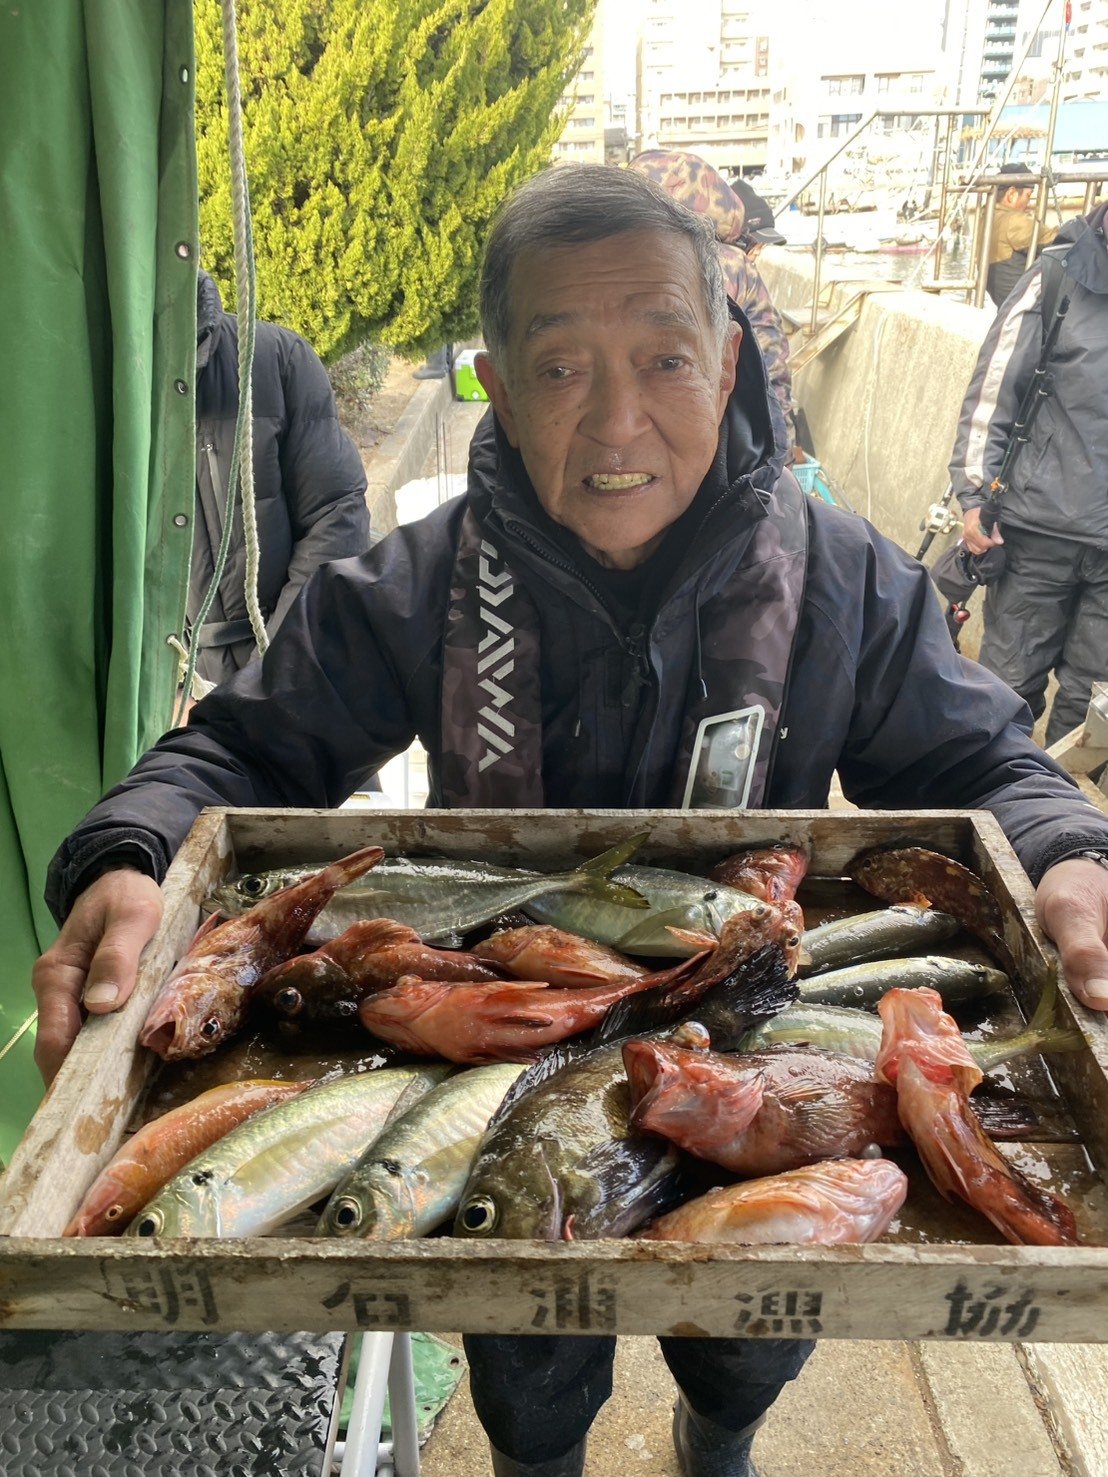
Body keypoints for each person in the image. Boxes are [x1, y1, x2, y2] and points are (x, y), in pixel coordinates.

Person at [34, 166, 1108, 1477]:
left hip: (765, 1047)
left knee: (748, 1335)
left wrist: (1068, 852)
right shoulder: (410, 586)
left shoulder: (847, 581)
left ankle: (720, 1436)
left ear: (725, 362)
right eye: (558, 368)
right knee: (528, 1362)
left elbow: (989, 759)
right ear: (493, 382)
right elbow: (237, 751)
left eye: (664, 358)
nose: (617, 418)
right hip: (501, 1066)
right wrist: (134, 847)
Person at [949, 197, 1108, 748]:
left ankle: (1071, 807)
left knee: (1095, 713)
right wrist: (974, 495)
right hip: (1035, 533)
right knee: (1005, 694)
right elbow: (993, 391)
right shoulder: (1056, 274)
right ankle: (997, 796)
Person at [190, 268, 370, 688]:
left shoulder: (276, 359)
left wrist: (264, 680)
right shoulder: (79, 387)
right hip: (158, 699)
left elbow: (336, 517)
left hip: (287, 675)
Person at [629, 151, 798, 454]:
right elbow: (770, 369)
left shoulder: (607, 261)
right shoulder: (737, 267)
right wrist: (780, 458)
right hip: (719, 441)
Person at [986, 162, 1059, 309]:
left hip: (1004, 302)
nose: (1028, 203)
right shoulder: (1013, 221)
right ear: (1011, 195)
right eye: (1028, 196)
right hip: (1023, 304)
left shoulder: (987, 217)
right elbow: (1057, 240)